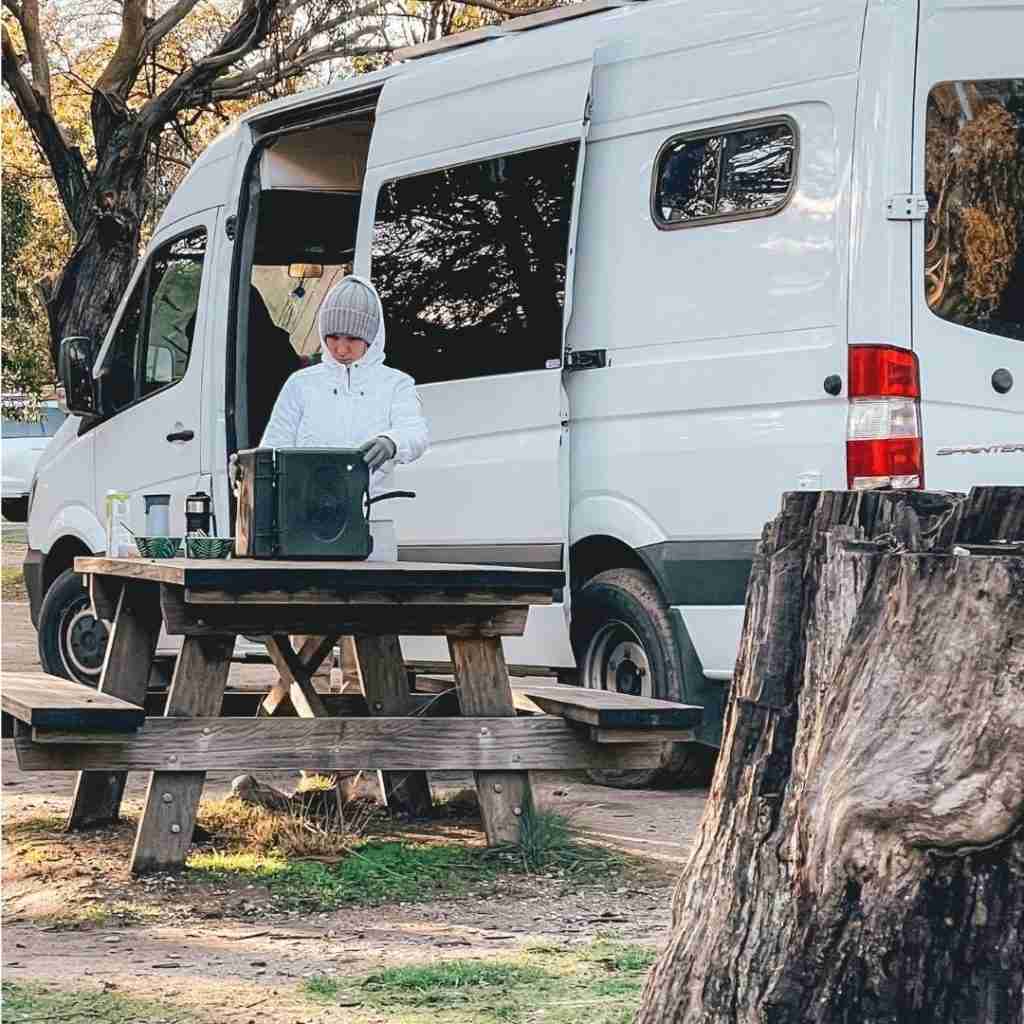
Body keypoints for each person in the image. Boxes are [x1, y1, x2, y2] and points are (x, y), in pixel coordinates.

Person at [245, 274, 429, 560]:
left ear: (371, 336)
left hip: (371, 526)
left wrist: (391, 441)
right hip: (304, 528)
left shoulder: (396, 384)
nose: (341, 349)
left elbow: (415, 432)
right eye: (333, 337)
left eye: (352, 339)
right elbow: (274, 446)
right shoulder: (300, 384)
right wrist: (249, 467)